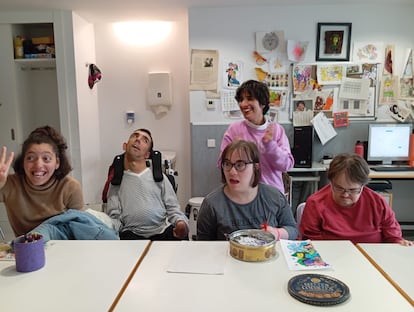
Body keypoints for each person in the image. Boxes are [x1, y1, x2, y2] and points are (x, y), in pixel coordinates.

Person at [299, 153, 413, 246]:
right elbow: (310, 242)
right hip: (332, 258)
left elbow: (393, 237)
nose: (345, 195)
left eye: (353, 190)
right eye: (339, 188)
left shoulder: (377, 203)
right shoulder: (316, 203)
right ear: (331, 182)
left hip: (371, 259)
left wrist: (400, 243)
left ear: (363, 186)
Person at [197, 140, 298, 241]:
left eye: (240, 165)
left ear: (256, 167)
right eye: (227, 164)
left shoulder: (274, 197)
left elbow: (293, 230)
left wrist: (277, 233)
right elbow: (203, 246)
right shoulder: (211, 204)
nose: (232, 172)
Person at [0, 125, 85, 237]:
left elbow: (82, 229)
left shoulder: (70, 187)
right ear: (23, 162)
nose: (38, 165)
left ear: (57, 163)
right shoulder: (9, 184)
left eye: (46, 158)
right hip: (26, 250)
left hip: (62, 248)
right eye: (30, 158)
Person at [106, 128, 189, 240]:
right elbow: (114, 217)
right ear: (125, 146)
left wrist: (181, 224)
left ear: (147, 155)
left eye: (145, 140)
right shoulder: (117, 182)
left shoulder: (160, 178)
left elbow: (174, 209)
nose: (138, 140)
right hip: (131, 235)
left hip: (162, 232)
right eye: (135, 136)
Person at [219, 79, 294, 194]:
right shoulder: (234, 130)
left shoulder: (276, 130)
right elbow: (221, 164)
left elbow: (287, 165)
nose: (243, 104)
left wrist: (270, 147)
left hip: (271, 196)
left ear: (263, 103)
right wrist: (235, 152)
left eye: (249, 98)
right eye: (241, 100)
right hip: (242, 196)